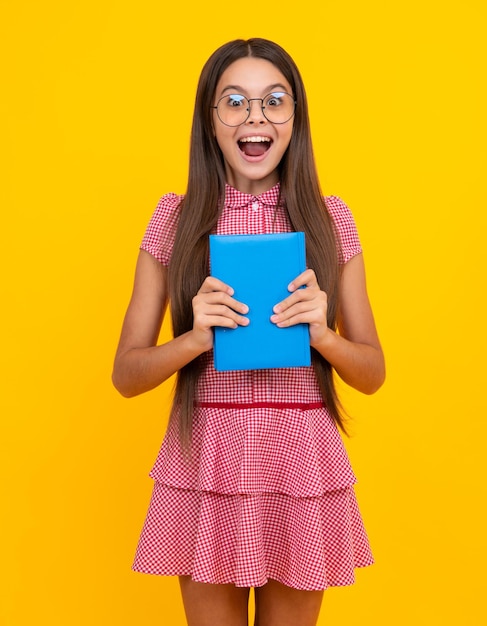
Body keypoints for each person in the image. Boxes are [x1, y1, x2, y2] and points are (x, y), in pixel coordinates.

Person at [112, 37, 385, 626]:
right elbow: (125, 375)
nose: (255, 117)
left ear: (295, 119)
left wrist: (322, 334)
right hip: (206, 459)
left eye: (273, 101)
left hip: (302, 462)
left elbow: (373, 373)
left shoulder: (331, 219)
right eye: (234, 102)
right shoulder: (175, 218)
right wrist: (195, 337)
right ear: (209, 122)